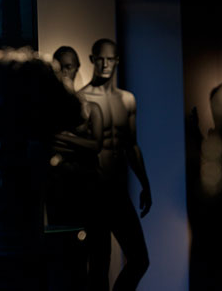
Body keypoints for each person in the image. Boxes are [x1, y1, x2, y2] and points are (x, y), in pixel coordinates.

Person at [77, 38, 151, 290]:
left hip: (118, 192)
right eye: (100, 58)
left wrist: (145, 184)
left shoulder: (127, 100)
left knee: (140, 259)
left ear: (117, 61)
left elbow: (131, 145)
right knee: (99, 265)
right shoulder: (81, 100)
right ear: (92, 60)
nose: (105, 64)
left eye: (110, 59)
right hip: (93, 193)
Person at [47, 46, 109, 290]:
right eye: (59, 67)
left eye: (69, 66)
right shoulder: (49, 110)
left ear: (77, 68)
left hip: (91, 191)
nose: (64, 72)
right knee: (70, 264)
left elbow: (95, 145)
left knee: (99, 259)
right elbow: (49, 142)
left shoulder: (90, 107)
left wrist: (65, 138)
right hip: (64, 195)